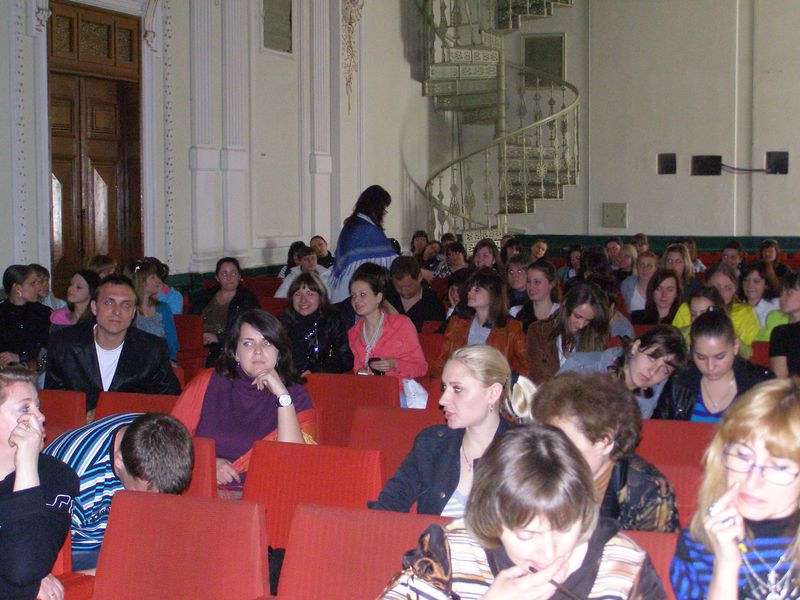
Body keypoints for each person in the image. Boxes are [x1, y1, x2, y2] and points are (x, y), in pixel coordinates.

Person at [380, 423, 666, 599]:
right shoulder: (451, 551)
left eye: (566, 528)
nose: (549, 552)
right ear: (493, 518)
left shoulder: (622, 565)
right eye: (528, 535)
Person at [671, 377, 800, 599]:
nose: (752, 481)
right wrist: (726, 566)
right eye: (743, 456)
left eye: (779, 467)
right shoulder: (698, 545)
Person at [368, 346, 531, 517]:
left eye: (457, 389)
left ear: (492, 393)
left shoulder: (526, 453)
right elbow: (388, 506)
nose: (443, 400)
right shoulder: (432, 444)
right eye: (444, 388)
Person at [172, 309, 314, 492]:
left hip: (268, 492)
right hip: (205, 488)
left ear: (279, 351)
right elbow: (170, 441)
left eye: (267, 343)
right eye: (248, 343)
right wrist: (206, 463)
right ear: (235, 353)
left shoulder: (295, 395)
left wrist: (282, 396)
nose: (258, 351)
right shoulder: (208, 383)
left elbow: (294, 462)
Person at [521, 372, 679, 532]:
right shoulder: (535, 469)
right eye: (551, 440)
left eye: (566, 444)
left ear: (605, 441)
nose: (552, 451)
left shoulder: (648, 490)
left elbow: (656, 546)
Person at [43, 412, 193, 570]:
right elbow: (40, 550)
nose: (155, 503)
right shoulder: (73, 479)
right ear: (119, 461)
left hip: (121, 535)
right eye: (147, 495)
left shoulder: (153, 433)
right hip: (74, 549)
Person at [45, 274, 181, 414]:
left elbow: (168, 401)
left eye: (126, 305)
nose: (117, 312)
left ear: (134, 312)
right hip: (79, 424)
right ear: (94, 307)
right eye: (108, 303)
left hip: (131, 425)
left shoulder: (152, 349)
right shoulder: (64, 344)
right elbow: (55, 401)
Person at [0, 366, 79, 600]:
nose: (41, 417)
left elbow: (24, 568)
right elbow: (23, 582)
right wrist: (20, 588)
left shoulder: (56, 477)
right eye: (25, 408)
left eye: (38, 406)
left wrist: (27, 465)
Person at [655, 310, 773, 422]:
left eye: (719, 357)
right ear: (691, 350)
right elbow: (661, 428)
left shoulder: (760, 383)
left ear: (735, 347)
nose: (710, 366)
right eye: (701, 357)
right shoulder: (680, 381)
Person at [559, 324, 687, 418]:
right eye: (652, 358)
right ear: (635, 347)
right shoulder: (581, 367)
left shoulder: (656, 391)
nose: (653, 371)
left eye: (665, 370)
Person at [431, 268, 527, 378]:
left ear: (493, 295)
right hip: (459, 381)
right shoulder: (457, 322)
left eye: (477, 289)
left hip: (492, 384)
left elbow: (528, 365)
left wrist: (508, 382)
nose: (469, 292)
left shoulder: (512, 328)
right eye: (470, 289)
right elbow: (442, 360)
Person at [347, 266, 427, 379]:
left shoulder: (401, 324)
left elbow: (421, 368)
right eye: (353, 296)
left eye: (362, 294)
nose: (356, 300)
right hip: (369, 388)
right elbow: (357, 370)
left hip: (399, 387)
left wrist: (394, 364)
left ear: (378, 297)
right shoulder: (353, 333)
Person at [527, 281, 609, 384]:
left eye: (588, 320)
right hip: (549, 391)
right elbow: (538, 376)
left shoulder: (595, 335)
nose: (581, 325)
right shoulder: (538, 331)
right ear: (565, 304)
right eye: (577, 316)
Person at [672, 262, 761, 357]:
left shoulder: (745, 313)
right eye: (716, 287)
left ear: (735, 290)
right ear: (706, 286)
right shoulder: (687, 308)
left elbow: (751, 354)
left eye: (728, 288)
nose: (721, 293)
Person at [328, 185, 397, 303]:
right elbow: (391, 262)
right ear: (376, 207)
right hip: (355, 292)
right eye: (383, 208)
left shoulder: (352, 225)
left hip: (345, 290)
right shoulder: (367, 229)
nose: (384, 213)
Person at [189, 257, 260, 366]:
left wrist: (218, 338)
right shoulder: (204, 296)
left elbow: (249, 328)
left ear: (239, 276)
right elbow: (191, 320)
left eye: (233, 273)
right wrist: (199, 336)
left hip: (227, 347)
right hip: (198, 342)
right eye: (224, 273)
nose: (229, 277)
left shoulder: (248, 299)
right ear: (217, 278)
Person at [279, 272, 353, 375]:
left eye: (310, 294)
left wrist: (316, 371)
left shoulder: (333, 321)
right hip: (286, 380)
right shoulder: (281, 324)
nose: (303, 300)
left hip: (320, 380)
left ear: (320, 297)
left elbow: (345, 359)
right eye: (297, 294)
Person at [127, 261, 179, 362]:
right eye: (153, 277)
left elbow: (172, 342)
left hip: (162, 360)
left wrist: (171, 360)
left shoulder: (163, 308)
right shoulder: (129, 309)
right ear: (141, 281)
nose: (159, 281)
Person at [0, 265, 51, 368]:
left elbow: (50, 351)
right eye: (33, 283)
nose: (38, 288)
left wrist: (22, 358)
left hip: (35, 372)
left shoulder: (43, 313)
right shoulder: (2, 314)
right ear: (18, 288)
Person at [385, 256, 445, 332]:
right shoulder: (385, 296)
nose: (403, 291)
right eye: (398, 287)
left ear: (419, 277)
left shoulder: (433, 304)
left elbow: (434, 335)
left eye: (408, 286)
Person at [511, 259, 561, 333]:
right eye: (528, 281)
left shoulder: (562, 313)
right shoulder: (515, 312)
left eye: (537, 282)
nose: (531, 286)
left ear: (551, 284)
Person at [740, 260, 780, 327]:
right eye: (746, 280)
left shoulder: (776, 305)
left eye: (756, 281)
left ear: (766, 284)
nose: (750, 285)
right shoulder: (736, 307)